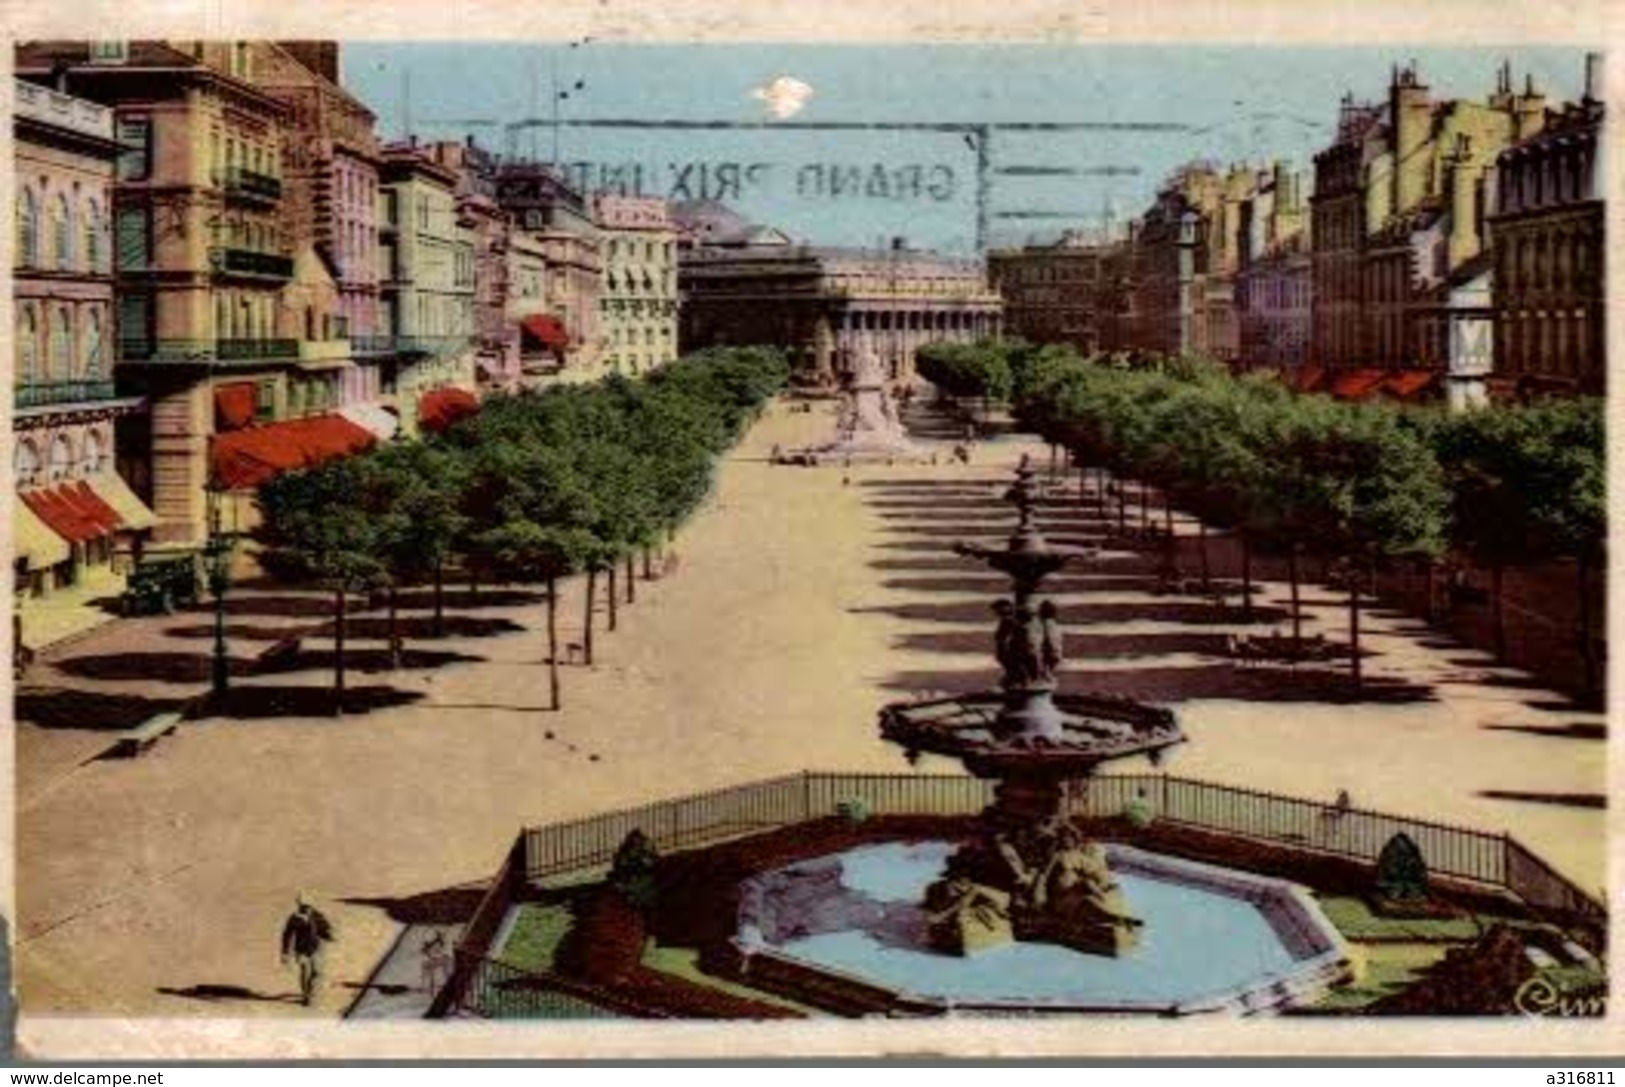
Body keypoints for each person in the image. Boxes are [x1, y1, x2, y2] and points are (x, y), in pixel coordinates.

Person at [281, 894, 336, 1006]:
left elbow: (325, 927)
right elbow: (287, 935)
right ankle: (306, 996)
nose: (307, 908)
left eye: (308, 906)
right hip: (301, 950)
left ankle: (310, 993)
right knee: (305, 972)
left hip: (316, 948)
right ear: (300, 905)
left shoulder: (316, 915)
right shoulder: (294, 918)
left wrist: (329, 935)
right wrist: (285, 952)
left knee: (317, 972)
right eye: (304, 906)